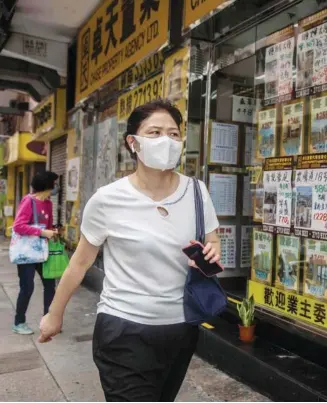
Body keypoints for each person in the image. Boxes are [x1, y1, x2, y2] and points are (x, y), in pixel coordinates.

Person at [38, 100, 222, 402]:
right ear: (133, 143)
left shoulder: (197, 192)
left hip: (180, 328)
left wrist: (212, 251)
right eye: (155, 132)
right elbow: (80, 263)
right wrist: (54, 314)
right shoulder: (108, 199)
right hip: (123, 329)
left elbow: (213, 241)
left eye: (174, 134)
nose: (166, 140)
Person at [11, 171, 59, 335]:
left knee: (50, 285)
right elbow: (18, 226)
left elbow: (49, 225)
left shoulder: (48, 203)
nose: (56, 187)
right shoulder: (28, 201)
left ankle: (48, 320)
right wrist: (42, 233)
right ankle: (19, 322)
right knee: (27, 287)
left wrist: (53, 232)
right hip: (26, 253)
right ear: (47, 186)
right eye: (54, 184)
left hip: (43, 251)